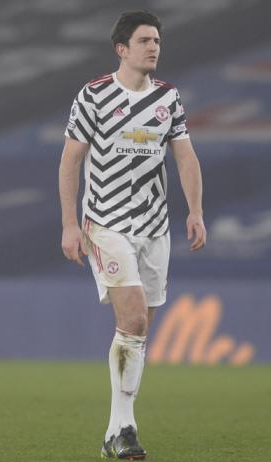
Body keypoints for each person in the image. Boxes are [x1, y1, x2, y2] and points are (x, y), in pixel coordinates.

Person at [58, 10, 206, 460]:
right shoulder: (94, 95)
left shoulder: (168, 98)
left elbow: (185, 157)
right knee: (135, 321)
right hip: (106, 223)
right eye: (144, 40)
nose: (153, 47)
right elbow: (70, 161)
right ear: (121, 49)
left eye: (156, 40)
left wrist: (195, 211)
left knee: (137, 334)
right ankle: (127, 430)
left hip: (155, 227)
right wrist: (70, 224)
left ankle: (114, 432)